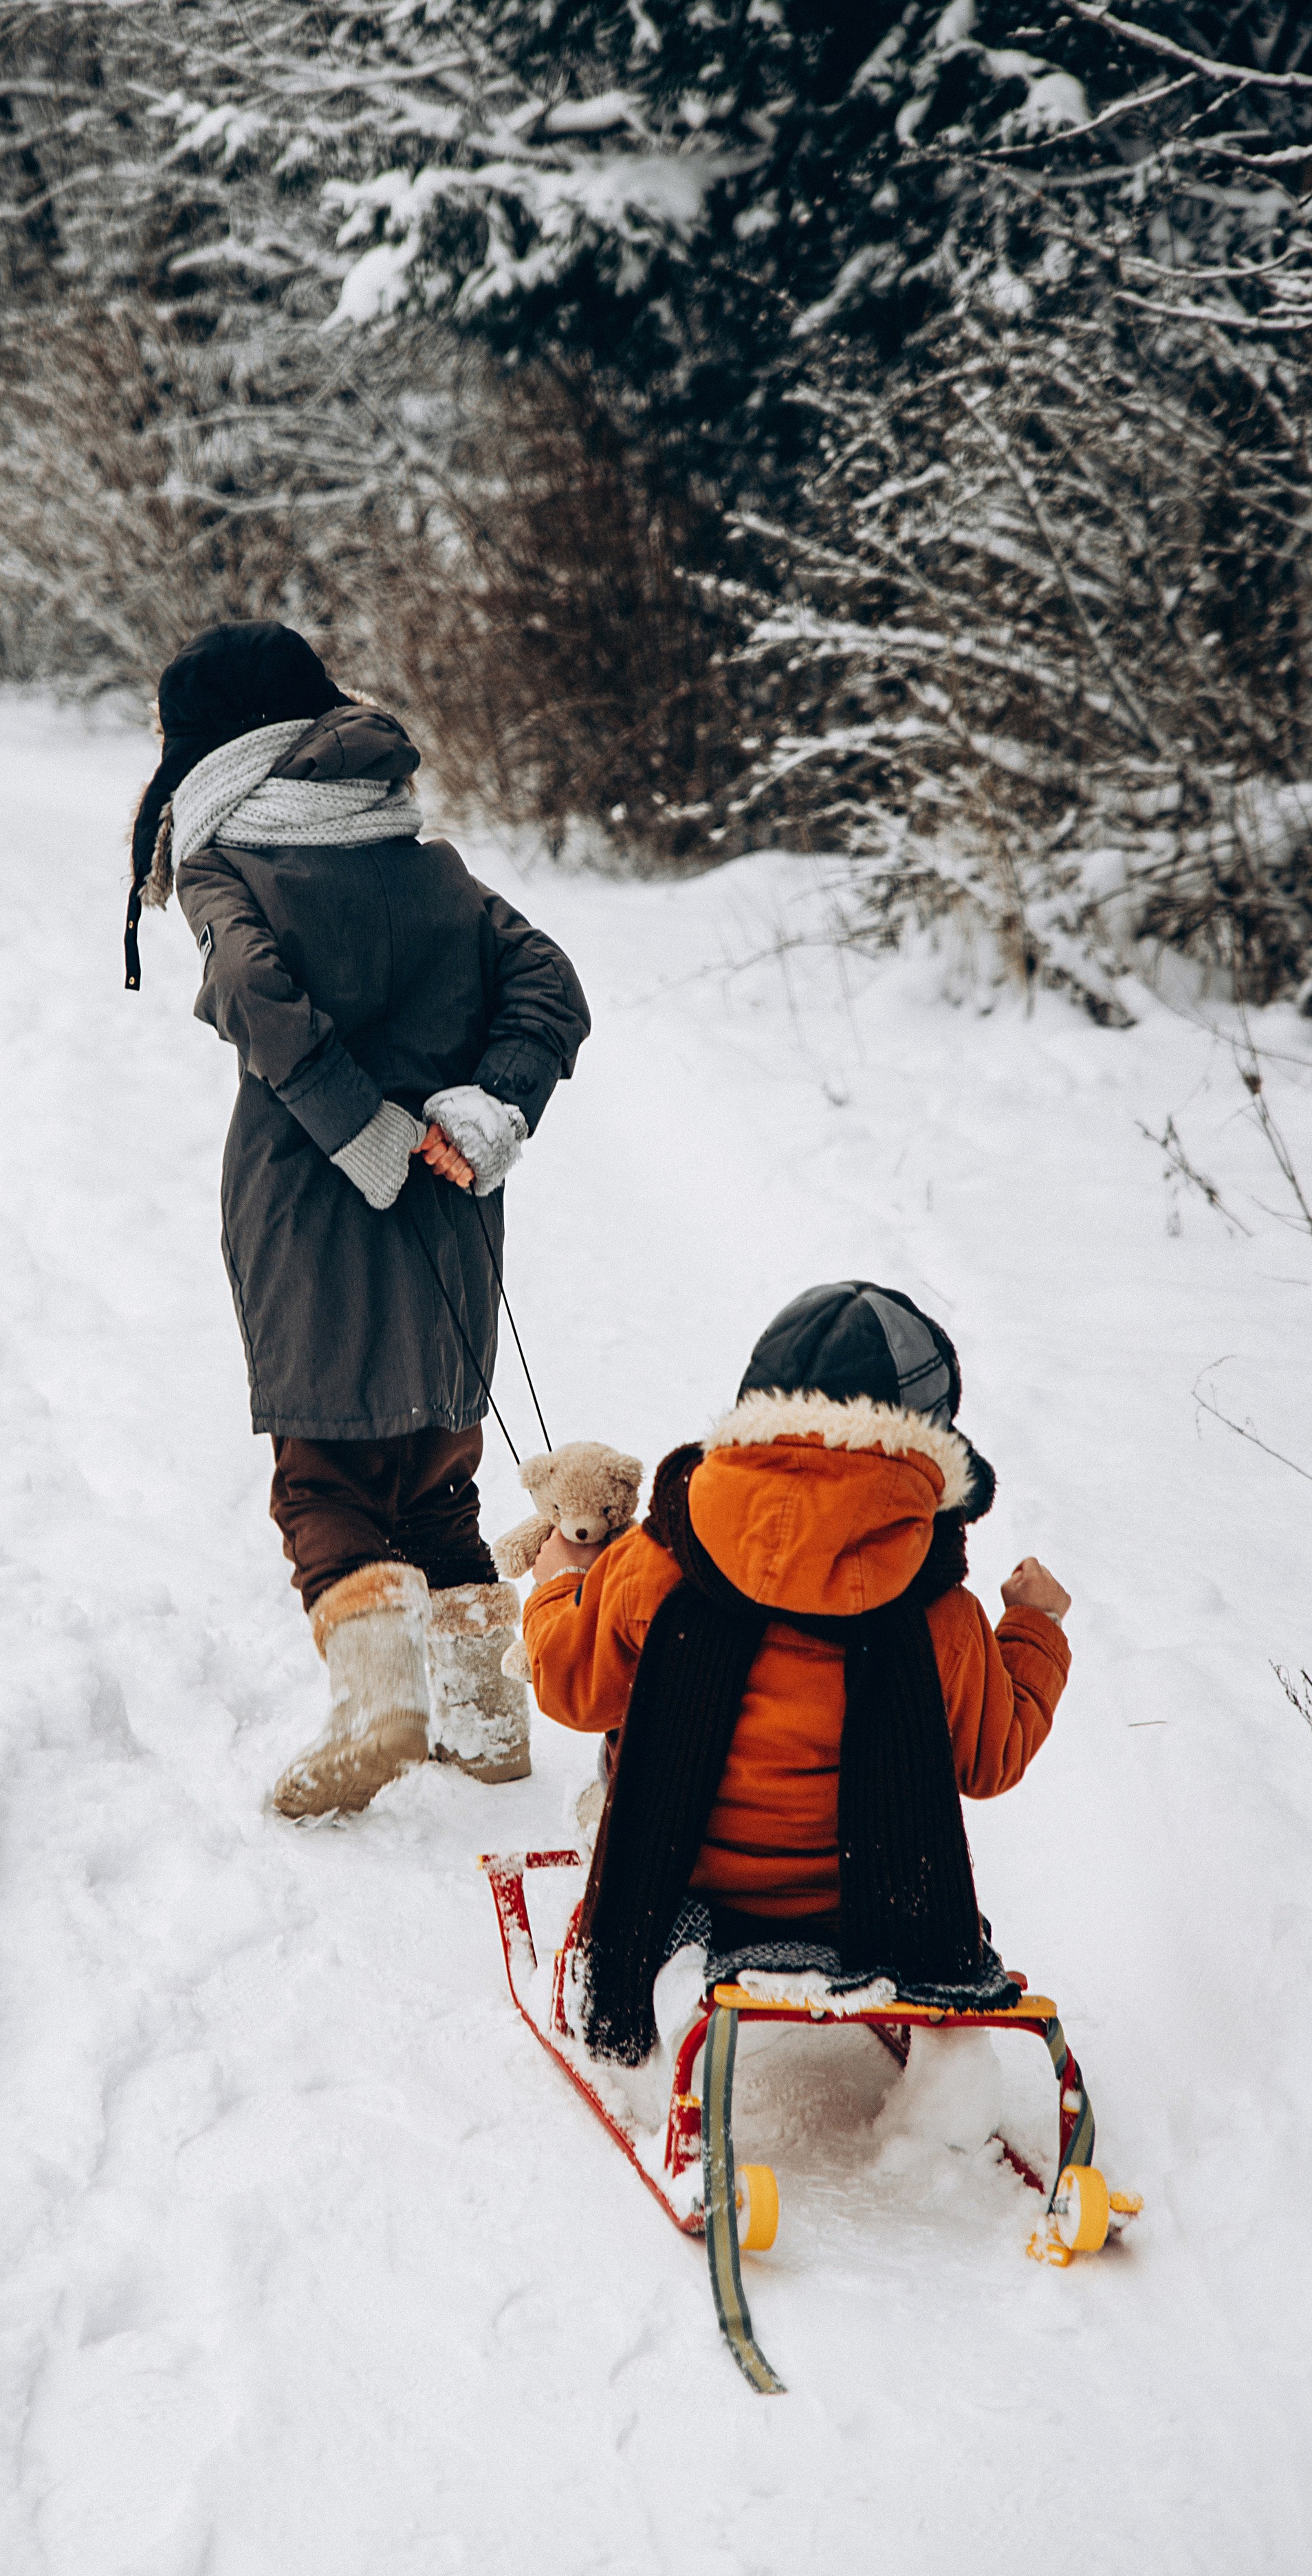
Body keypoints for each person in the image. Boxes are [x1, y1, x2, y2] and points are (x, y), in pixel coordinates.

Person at [127, 620, 590, 1819]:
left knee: (322, 1467)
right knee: (436, 1464)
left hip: (307, 1201)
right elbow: (550, 982)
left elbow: (246, 986)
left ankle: (381, 1708)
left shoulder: (224, 859)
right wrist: (490, 1108)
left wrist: (354, 1126)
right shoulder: (419, 853)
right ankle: (488, 1724)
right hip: (448, 1201)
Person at [517, 1281, 1071, 2062]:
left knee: (625, 1728)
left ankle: (658, 1968)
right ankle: (944, 2092)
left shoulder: (661, 1558)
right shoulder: (937, 1611)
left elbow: (571, 1689)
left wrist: (557, 1588)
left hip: (686, 1893)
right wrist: (1033, 1627)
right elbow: (992, 1758)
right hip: (872, 1915)